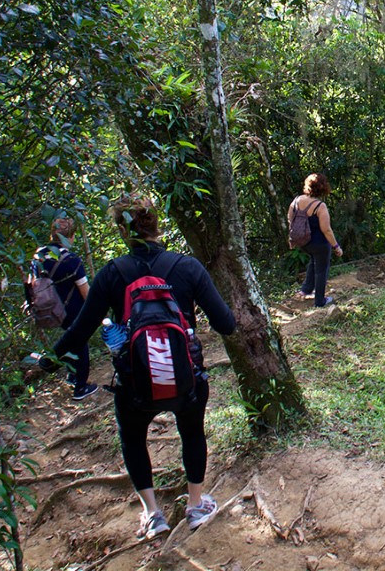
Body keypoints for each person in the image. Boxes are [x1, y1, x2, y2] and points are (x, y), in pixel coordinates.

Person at [46, 194, 237, 541]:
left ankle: (152, 514)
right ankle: (196, 506)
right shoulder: (188, 267)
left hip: (134, 386)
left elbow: (79, 331)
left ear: (123, 230)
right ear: (157, 223)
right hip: (187, 383)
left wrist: (48, 361)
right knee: (192, 433)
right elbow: (226, 325)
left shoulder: (112, 273)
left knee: (132, 438)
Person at [31, 216, 97, 401]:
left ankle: (71, 374)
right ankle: (80, 387)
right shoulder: (71, 260)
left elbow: (32, 281)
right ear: (71, 237)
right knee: (79, 344)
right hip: (73, 310)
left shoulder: (40, 255)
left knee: (69, 340)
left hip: (51, 308)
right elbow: (85, 291)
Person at [287, 173, 343, 307]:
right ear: (323, 188)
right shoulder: (320, 206)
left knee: (313, 261)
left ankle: (306, 289)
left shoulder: (296, 201)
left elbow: (290, 220)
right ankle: (320, 301)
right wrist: (336, 246)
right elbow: (326, 230)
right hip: (319, 244)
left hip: (303, 242)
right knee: (321, 270)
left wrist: (291, 239)